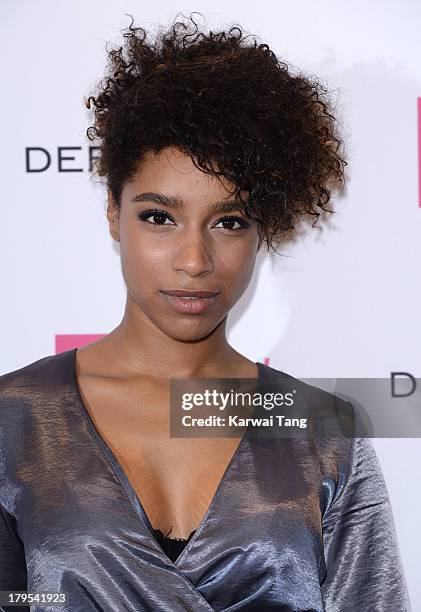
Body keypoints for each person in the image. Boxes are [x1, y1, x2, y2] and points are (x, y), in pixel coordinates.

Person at [0, 13, 410, 612]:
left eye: (229, 221)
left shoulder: (324, 435)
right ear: (113, 213)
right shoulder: (13, 422)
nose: (195, 260)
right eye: (159, 217)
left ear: (262, 229)